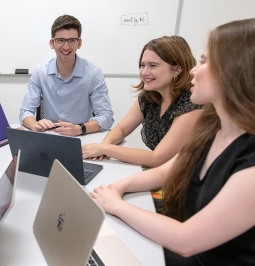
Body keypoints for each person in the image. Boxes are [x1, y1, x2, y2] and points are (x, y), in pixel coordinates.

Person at [90, 19, 255, 266]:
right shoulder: (213, 127)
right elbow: (169, 169)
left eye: (205, 61)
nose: (193, 70)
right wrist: (117, 188)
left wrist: (117, 205)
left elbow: (186, 240)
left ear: (236, 71)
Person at [82, 36, 203, 168]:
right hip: (161, 172)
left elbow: (157, 158)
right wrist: (104, 145)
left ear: (177, 69)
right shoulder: (149, 97)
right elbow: (121, 129)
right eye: (142, 65)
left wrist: (105, 149)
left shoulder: (191, 103)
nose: (144, 72)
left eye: (152, 66)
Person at [19, 15, 114, 137]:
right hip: (50, 136)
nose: (66, 46)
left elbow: (106, 116)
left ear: (79, 43)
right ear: (52, 43)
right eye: (60, 40)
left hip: (82, 136)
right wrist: (35, 125)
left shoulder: (93, 73)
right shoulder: (40, 72)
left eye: (71, 40)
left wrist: (80, 129)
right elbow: (26, 111)